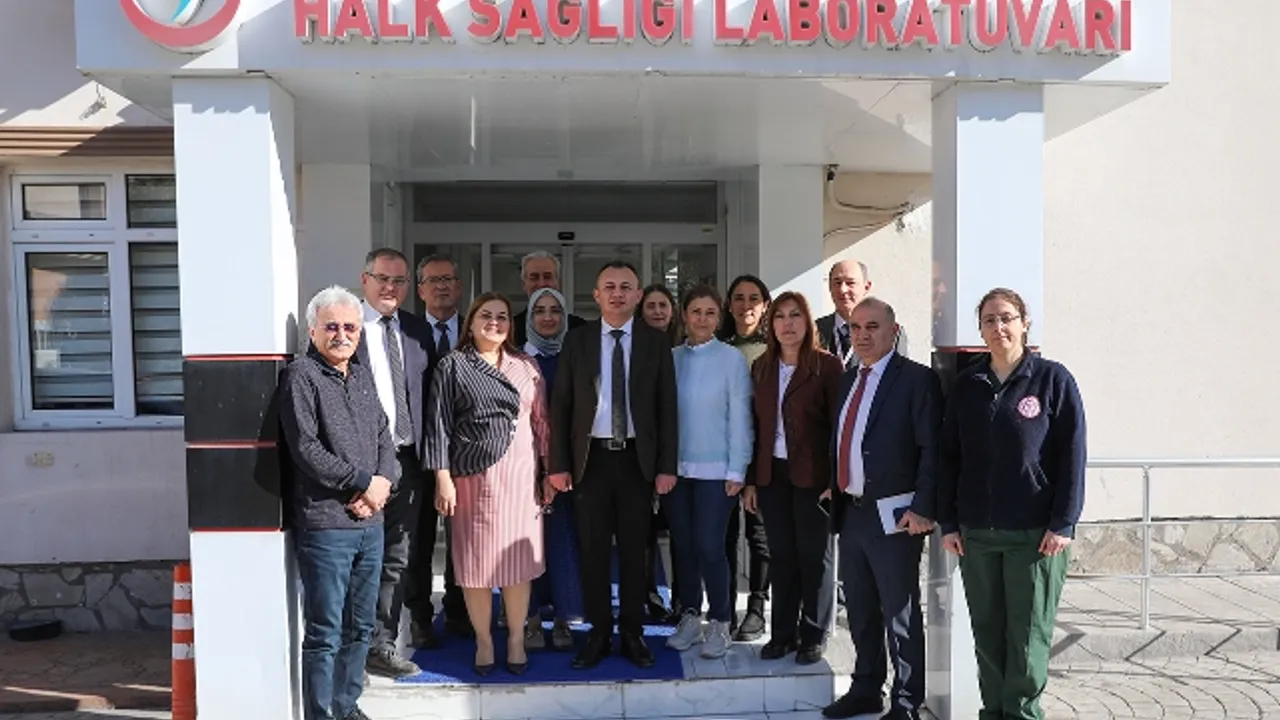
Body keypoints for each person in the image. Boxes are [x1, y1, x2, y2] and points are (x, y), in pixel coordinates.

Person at [938, 288, 1087, 720]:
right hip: (977, 534)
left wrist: (1063, 522)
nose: (998, 327)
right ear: (980, 330)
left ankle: (1023, 714)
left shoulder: (1053, 380)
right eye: (989, 320)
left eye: (1006, 318)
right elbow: (949, 457)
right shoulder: (968, 386)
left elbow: (1072, 454)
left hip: (1035, 535)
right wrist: (949, 522)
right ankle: (993, 712)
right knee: (987, 636)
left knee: (1027, 638)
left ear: (1025, 324)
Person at [547, 260, 679, 671]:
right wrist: (558, 464)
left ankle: (633, 633)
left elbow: (667, 408)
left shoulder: (655, 342)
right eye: (610, 286)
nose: (618, 293)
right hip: (592, 461)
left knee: (637, 552)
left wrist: (666, 466)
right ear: (596, 295)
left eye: (626, 287)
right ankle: (599, 633)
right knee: (593, 550)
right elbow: (561, 406)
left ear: (638, 295)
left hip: (638, 461)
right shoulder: (578, 340)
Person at [822, 298, 942, 720]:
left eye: (872, 326)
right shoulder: (849, 379)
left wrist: (924, 507)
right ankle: (866, 689)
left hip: (895, 517)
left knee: (899, 613)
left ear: (893, 331)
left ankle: (906, 702)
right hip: (852, 513)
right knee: (860, 611)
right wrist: (836, 480)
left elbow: (932, 449)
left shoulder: (917, 380)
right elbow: (847, 437)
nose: (863, 335)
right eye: (856, 327)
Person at [280, 285, 395, 720]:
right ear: (313, 331)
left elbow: (385, 437)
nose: (342, 335)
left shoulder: (361, 377)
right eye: (332, 327)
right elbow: (306, 449)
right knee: (325, 631)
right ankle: (322, 713)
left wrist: (382, 486)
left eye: (350, 327)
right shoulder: (301, 377)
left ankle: (347, 707)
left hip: (371, 523)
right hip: (326, 525)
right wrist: (364, 483)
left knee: (360, 626)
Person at [424, 292, 551, 676]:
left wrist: (549, 472)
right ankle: (483, 640)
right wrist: (442, 477)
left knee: (518, 565)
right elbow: (438, 425)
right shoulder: (452, 365)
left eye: (502, 316)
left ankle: (515, 638)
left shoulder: (526, 365)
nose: (494, 322)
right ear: (471, 321)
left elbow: (542, 424)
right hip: (472, 479)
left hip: (521, 479)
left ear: (510, 325)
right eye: (486, 315)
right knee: (475, 565)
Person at [742, 291, 840, 665]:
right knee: (781, 555)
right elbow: (755, 427)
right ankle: (782, 634)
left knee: (814, 556)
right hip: (773, 475)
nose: (787, 323)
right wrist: (752, 480)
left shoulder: (826, 366)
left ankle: (813, 634)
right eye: (780, 316)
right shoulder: (762, 367)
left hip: (814, 476)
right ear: (771, 324)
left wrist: (835, 478)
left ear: (808, 321)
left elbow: (839, 427)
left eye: (795, 315)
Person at [353, 248, 434, 679]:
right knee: (361, 556)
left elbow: (430, 397)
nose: (390, 287)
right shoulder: (347, 326)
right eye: (382, 278)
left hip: (409, 459)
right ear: (364, 280)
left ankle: (381, 645)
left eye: (399, 281)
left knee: (398, 557)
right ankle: (354, 646)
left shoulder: (418, 331)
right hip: (364, 465)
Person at [663, 285, 753, 659]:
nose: (702, 319)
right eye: (696, 311)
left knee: (710, 546)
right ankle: (689, 616)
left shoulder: (731, 359)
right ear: (684, 315)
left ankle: (719, 620)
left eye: (710, 312)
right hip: (676, 472)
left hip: (718, 470)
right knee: (683, 547)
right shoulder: (671, 358)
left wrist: (738, 468)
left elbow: (741, 418)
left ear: (719, 318)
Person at [405, 254, 469, 642]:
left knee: (463, 540)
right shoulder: (407, 333)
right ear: (421, 290)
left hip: (463, 456)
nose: (442, 287)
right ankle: (420, 617)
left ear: (459, 287)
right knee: (418, 540)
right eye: (433, 281)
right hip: (417, 454)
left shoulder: (475, 331)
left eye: (448, 279)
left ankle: (460, 611)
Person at [521, 287, 584, 652]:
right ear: (530, 318)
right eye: (539, 311)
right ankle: (529, 618)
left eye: (555, 311)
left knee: (563, 541)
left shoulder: (576, 357)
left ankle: (563, 617)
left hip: (566, 468)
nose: (547, 317)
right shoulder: (516, 360)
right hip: (524, 466)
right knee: (528, 543)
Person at [716, 274, 773, 641]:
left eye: (754, 298)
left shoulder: (774, 350)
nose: (746, 305)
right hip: (723, 453)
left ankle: (756, 608)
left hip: (763, 454)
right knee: (724, 534)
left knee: (759, 535)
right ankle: (723, 609)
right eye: (739, 297)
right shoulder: (720, 348)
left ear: (765, 305)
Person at [635, 283, 683, 622]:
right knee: (645, 532)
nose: (657, 311)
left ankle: (682, 599)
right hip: (644, 455)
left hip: (684, 454)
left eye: (662, 305)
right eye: (650, 306)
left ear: (672, 311)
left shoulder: (686, 349)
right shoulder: (634, 348)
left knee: (681, 532)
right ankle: (648, 594)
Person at [815, 260, 909, 367]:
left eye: (850, 283)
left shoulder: (891, 332)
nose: (843, 290)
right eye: (837, 283)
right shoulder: (813, 331)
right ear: (829, 287)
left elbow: (901, 374)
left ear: (866, 287)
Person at [512, 250, 587, 346]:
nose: (541, 284)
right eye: (534, 277)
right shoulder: (511, 330)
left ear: (558, 282)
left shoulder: (579, 329)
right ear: (524, 284)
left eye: (547, 277)